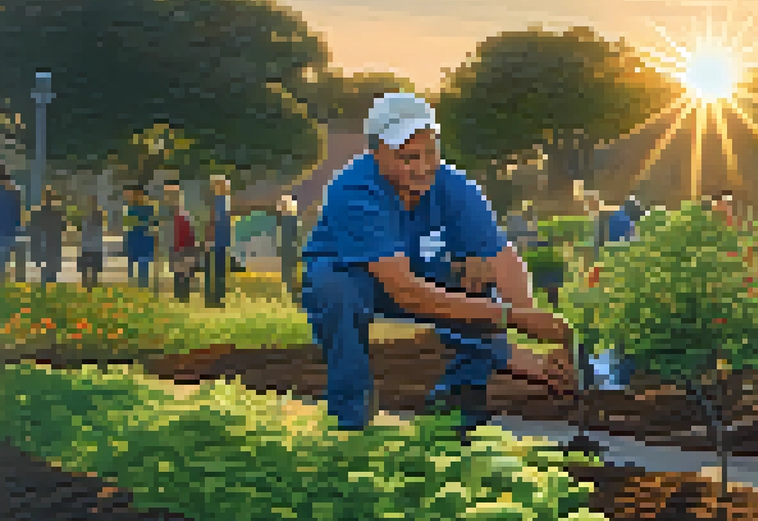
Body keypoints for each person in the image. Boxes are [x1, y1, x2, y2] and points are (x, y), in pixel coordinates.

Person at [301, 93, 575, 435]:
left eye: (430, 153)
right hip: (356, 276)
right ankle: (350, 416)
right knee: (334, 289)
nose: (422, 167)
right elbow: (404, 293)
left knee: (478, 276)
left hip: (419, 273)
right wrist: (512, 321)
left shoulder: (453, 186)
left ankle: (458, 397)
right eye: (408, 157)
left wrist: (538, 338)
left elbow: (503, 260)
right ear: (376, 153)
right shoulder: (353, 191)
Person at [166, 182, 200, 302]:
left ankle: (183, 296)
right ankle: (180, 295)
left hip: (184, 247)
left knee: (183, 272)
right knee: (178, 272)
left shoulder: (184, 214)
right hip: (176, 247)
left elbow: (190, 232)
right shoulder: (171, 213)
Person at [205, 174, 233, 308]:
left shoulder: (224, 201)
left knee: (220, 271)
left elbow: (223, 221)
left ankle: (218, 297)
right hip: (216, 240)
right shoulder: (215, 202)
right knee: (214, 271)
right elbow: (212, 222)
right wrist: (209, 239)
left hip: (222, 240)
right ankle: (213, 298)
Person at [123, 184, 156, 289]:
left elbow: (153, 223)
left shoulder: (149, 209)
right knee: (131, 264)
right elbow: (127, 225)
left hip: (144, 239)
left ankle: (143, 286)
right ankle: (132, 285)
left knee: (143, 264)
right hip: (133, 239)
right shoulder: (129, 209)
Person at [30, 187, 64, 288]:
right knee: (51, 270)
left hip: (45, 245)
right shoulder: (56, 214)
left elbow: (34, 231)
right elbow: (62, 228)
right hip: (52, 246)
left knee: (45, 270)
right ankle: (50, 286)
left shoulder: (38, 214)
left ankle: (45, 286)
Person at [278, 194, 304, 305]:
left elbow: (293, 237)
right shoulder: (290, 220)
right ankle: (292, 294)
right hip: (288, 250)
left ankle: (294, 295)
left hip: (289, 250)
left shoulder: (290, 220)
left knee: (290, 274)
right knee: (288, 274)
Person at [77, 193, 106, 291]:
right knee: (91, 266)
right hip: (92, 244)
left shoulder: (88, 214)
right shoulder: (97, 214)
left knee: (89, 266)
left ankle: (88, 283)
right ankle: (90, 283)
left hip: (89, 244)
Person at [0, 167, 20, 283]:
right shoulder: (13, 193)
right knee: (3, 267)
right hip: (9, 235)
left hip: (6, 234)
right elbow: (17, 217)